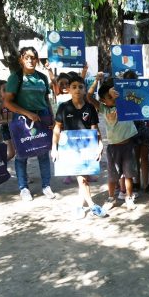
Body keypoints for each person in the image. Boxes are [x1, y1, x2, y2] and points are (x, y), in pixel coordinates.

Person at [51, 75, 108, 218]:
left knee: (84, 178)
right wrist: (54, 147)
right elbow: (57, 128)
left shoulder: (90, 108)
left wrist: (100, 144)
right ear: (69, 89)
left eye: (80, 87)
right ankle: (92, 205)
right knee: (82, 178)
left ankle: (78, 206)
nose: (77, 90)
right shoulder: (64, 107)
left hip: (88, 148)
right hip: (70, 149)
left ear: (85, 90)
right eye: (74, 87)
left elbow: (94, 129)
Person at [3, 46, 56, 202]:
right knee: (21, 155)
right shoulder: (16, 77)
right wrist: (27, 113)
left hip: (42, 117)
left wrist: (51, 118)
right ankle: (23, 188)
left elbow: (46, 100)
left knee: (43, 152)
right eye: (26, 57)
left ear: (37, 59)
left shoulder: (42, 77)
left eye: (33, 57)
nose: (30, 60)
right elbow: (7, 102)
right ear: (21, 59)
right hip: (22, 120)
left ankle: (46, 186)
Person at [92, 78, 138, 211]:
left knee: (129, 175)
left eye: (115, 96)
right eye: (109, 97)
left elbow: (131, 94)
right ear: (103, 100)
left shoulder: (124, 104)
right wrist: (96, 81)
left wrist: (115, 93)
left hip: (128, 145)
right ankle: (111, 198)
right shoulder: (103, 108)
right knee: (112, 176)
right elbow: (89, 97)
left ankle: (128, 198)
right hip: (113, 147)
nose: (113, 99)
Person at [0, 80, 16, 162]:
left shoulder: (14, 101)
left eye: (8, 89)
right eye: (4, 90)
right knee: (11, 153)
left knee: (20, 150)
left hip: (17, 127)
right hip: (7, 129)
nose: (7, 92)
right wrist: (10, 120)